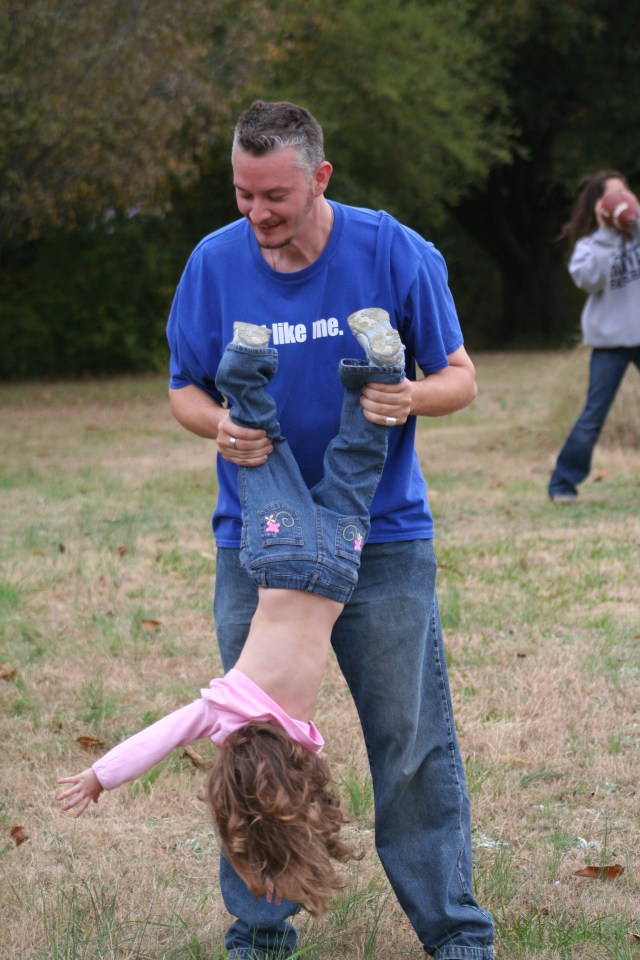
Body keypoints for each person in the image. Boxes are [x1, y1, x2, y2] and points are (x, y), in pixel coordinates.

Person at [166, 100, 495, 960]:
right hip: (258, 541)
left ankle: (455, 933)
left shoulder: (392, 250)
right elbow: (184, 388)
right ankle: (259, 933)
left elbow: (460, 377)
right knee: (254, 745)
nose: (256, 214)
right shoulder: (213, 263)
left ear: (319, 178)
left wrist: (409, 395)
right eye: (243, 194)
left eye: (274, 195)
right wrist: (219, 425)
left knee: (411, 741)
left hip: (380, 535)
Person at [57, 314, 405, 920]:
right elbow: (159, 739)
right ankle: (245, 365)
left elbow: (288, 810)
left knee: (356, 458)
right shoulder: (225, 709)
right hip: (283, 550)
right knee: (261, 451)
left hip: (339, 562)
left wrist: (276, 865)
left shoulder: (301, 739)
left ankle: (382, 369)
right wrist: (99, 776)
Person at [548, 170, 640, 502]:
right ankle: (562, 484)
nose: (621, 199)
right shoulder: (589, 246)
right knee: (593, 416)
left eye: (625, 192)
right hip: (609, 343)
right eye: (612, 195)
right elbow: (589, 281)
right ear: (598, 206)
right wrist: (606, 237)